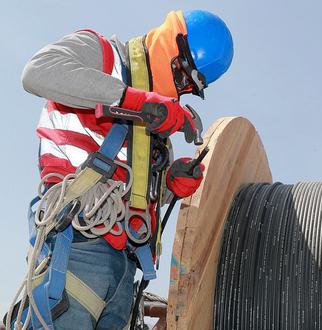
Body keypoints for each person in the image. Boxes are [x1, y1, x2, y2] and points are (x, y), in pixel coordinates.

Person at [6, 9, 233, 330]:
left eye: (190, 87)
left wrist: (171, 184)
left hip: (126, 273)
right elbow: (37, 72)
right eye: (181, 75)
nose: (180, 90)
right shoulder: (102, 55)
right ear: (169, 41)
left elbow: (136, 196)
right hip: (78, 249)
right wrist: (135, 101)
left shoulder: (155, 127)